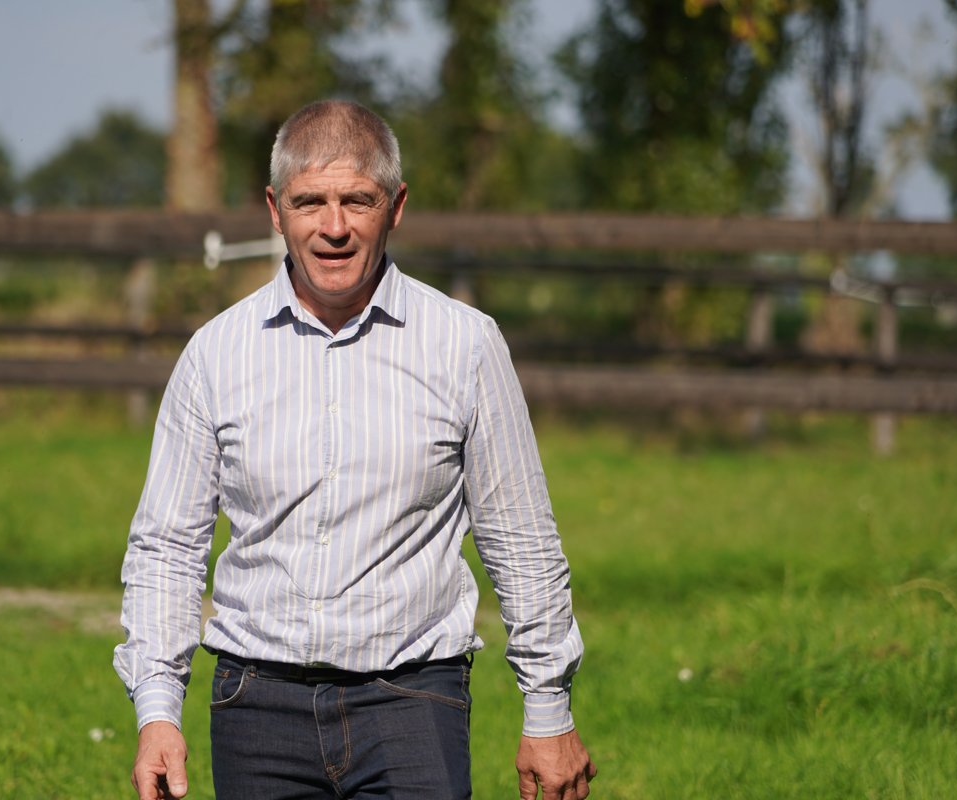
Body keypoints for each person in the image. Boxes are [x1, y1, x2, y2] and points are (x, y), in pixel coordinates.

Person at [114, 99, 596, 800]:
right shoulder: (215, 354)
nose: (333, 227)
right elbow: (167, 546)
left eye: (357, 201)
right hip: (255, 706)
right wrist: (157, 710)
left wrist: (549, 708)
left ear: (395, 208)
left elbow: (520, 536)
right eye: (309, 201)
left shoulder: (465, 345)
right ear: (275, 210)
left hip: (413, 700)